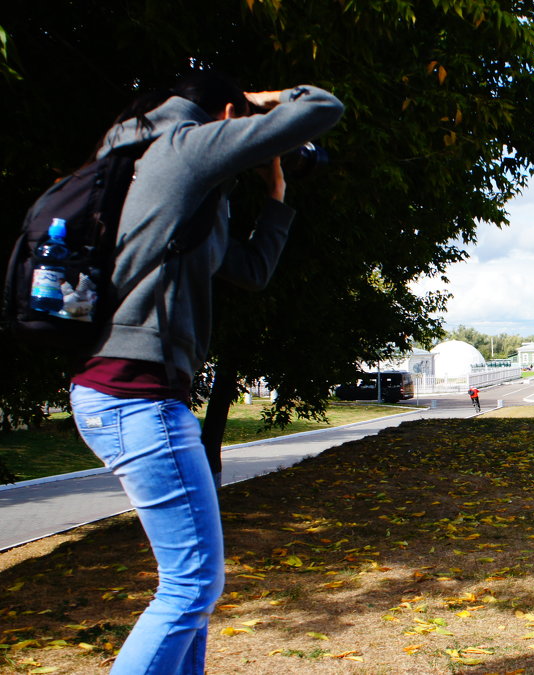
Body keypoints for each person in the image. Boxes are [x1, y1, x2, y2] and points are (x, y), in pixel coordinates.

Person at [67, 71, 343, 674]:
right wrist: (264, 104)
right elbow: (321, 107)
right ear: (224, 113)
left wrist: (275, 195)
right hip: (136, 394)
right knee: (190, 585)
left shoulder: (162, 178)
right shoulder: (183, 149)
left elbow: (249, 269)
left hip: (124, 391)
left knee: (192, 588)